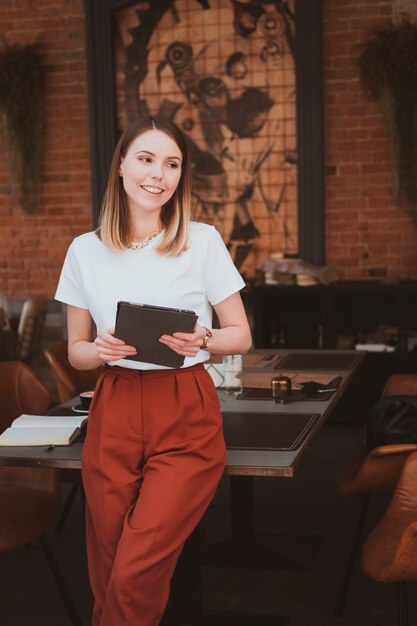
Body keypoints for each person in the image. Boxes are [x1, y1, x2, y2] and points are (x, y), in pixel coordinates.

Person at [55, 115, 252, 626]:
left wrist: (204, 338)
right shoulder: (84, 249)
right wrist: (98, 350)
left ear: (180, 176)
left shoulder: (202, 241)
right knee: (107, 561)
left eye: (171, 164)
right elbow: (74, 350)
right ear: (121, 165)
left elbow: (241, 336)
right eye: (145, 159)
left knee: (134, 570)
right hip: (114, 404)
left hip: (184, 405)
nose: (157, 174)